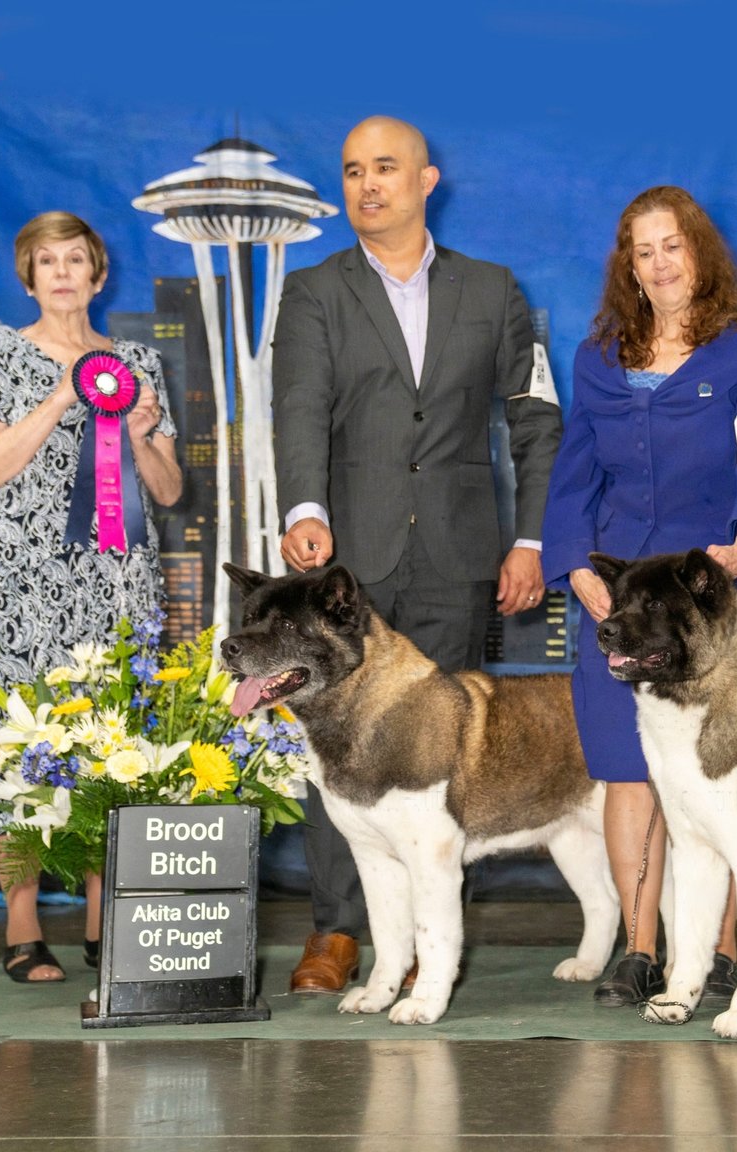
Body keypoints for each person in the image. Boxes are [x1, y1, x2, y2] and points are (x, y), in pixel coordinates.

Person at [271, 116, 562, 994]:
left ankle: (430, 953)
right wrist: (305, 509)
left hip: (457, 556)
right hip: (344, 567)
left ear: (426, 181)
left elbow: (536, 420)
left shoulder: (495, 290)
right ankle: (337, 934)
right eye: (353, 170)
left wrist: (531, 538)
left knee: (440, 763)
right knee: (339, 751)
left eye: (385, 168)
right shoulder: (314, 291)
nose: (368, 184)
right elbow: (298, 408)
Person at [542, 186, 737, 1006]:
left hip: (724, 596)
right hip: (623, 601)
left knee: (735, 777)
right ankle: (641, 948)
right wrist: (577, 569)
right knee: (629, 772)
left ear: (700, 253)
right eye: (642, 251)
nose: (659, 264)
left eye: (672, 246)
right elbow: (572, 481)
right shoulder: (597, 359)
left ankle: (724, 953)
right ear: (628, 266)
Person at [0, 211, 182, 982]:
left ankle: (103, 917)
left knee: (113, 744)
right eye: (46, 261)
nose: (61, 273)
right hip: (28, 583)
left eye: (75, 259)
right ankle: (21, 924)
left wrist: (142, 435)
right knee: (22, 743)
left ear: (98, 274)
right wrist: (60, 396)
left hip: (118, 582)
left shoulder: (138, 363)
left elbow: (168, 490)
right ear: (29, 278)